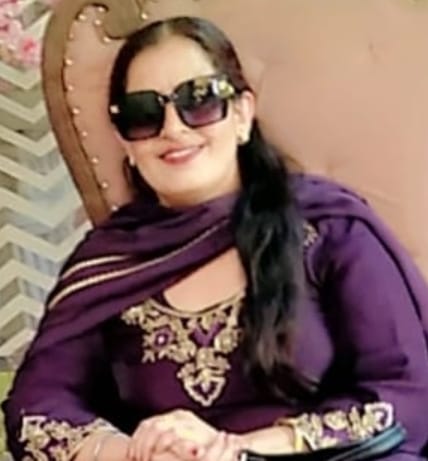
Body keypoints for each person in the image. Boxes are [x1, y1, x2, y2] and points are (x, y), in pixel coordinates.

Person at [3, 15, 428, 461]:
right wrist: (133, 454)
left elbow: (408, 393)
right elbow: (36, 409)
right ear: (125, 141)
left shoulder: (328, 228)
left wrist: (244, 449)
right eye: (144, 114)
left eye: (200, 101)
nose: (173, 129)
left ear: (242, 113)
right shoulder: (108, 264)